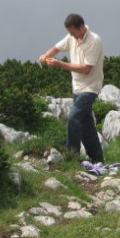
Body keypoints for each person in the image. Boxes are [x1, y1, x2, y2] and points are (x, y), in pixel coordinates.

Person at [38, 13, 105, 163]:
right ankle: (97, 158)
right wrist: (45, 56)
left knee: (73, 117)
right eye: (69, 32)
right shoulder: (72, 38)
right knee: (86, 124)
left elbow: (87, 68)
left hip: (90, 88)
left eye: (73, 32)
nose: (71, 35)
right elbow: (57, 47)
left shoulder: (94, 41)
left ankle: (71, 155)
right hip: (77, 87)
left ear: (81, 27)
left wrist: (60, 64)